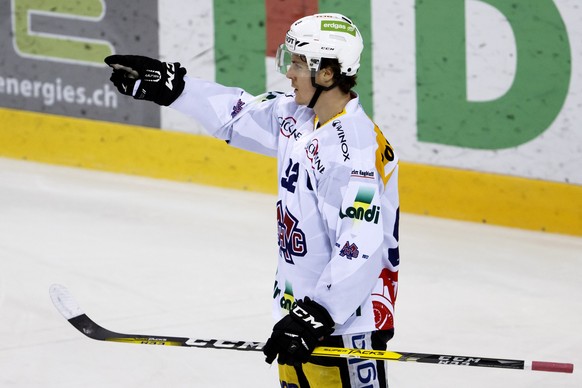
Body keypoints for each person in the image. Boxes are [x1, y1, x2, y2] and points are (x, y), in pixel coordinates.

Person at [105, 12, 400, 388]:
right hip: (301, 315)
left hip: (345, 325)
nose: (288, 73)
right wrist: (174, 88)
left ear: (327, 73)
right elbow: (238, 114)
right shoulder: (299, 117)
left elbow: (361, 244)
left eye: (297, 63)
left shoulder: (354, 151)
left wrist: (317, 315)